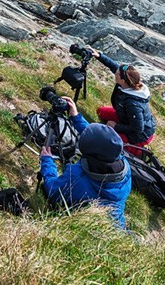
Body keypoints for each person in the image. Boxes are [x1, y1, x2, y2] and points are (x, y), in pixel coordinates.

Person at [39, 96, 132, 228]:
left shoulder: (78, 177)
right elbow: (101, 141)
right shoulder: (124, 167)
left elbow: (53, 192)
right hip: (115, 226)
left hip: (88, 229)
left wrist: (47, 162)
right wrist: (76, 117)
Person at [89, 48, 156, 154]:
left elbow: (137, 129)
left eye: (117, 74)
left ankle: (138, 149)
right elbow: (114, 66)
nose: (115, 73)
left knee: (104, 138)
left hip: (140, 135)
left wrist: (116, 127)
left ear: (122, 80)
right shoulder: (127, 83)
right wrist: (99, 56)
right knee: (101, 111)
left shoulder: (133, 104)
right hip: (126, 119)